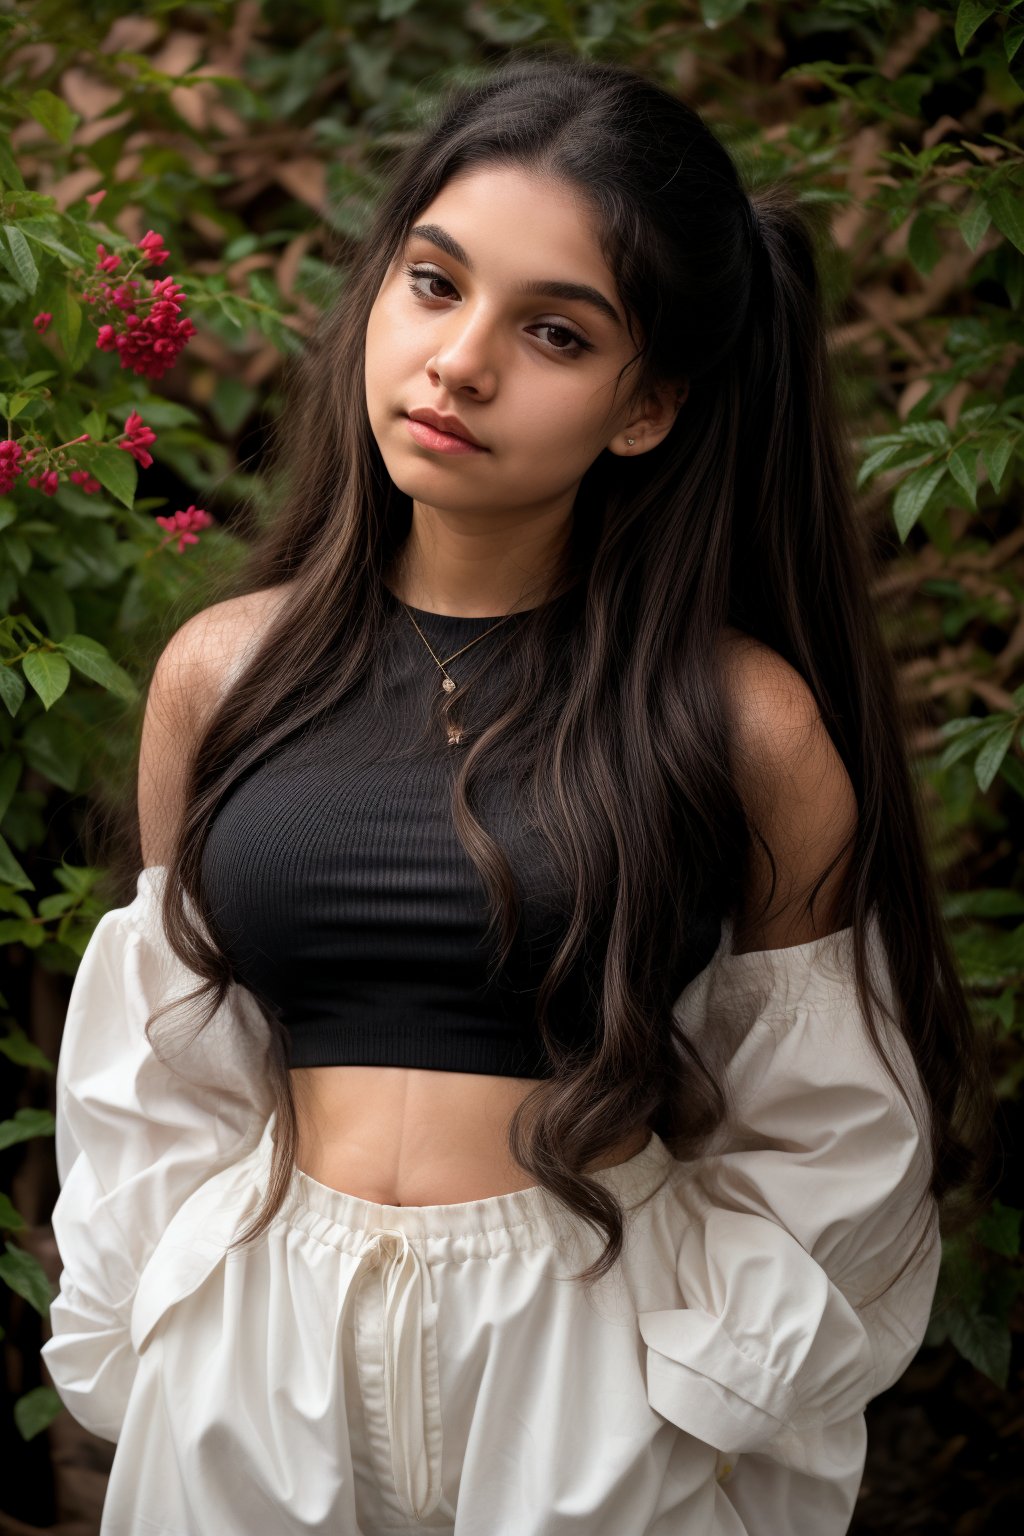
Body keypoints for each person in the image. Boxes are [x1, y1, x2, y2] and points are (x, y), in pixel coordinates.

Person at [41, 49, 991, 1536]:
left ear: (645, 406)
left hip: (590, 1353)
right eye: (435, 283)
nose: (461, 361)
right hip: (253, 1358)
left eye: (553, 330)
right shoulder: (224, 677)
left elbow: (831, 1129)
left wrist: (698, 1389)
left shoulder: (739, 719)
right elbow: (162, 1071)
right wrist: (162, 1328)